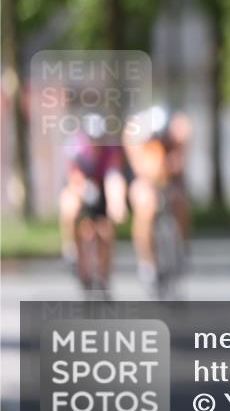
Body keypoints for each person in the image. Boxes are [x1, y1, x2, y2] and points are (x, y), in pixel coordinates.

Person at [123, 105, 192, 295]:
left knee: (181, 203)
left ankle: (182, 245)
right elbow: (140, 168)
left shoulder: (179, 131)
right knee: (145, 207)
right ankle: (147, 262)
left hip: (170, 178)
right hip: (145, 179)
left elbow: (181, 162)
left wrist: (171, 168)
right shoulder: (134, 133)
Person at [58, 113, 128, 299]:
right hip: (79, 187)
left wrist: (117, 204)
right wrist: (85, 192)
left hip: (103, 190)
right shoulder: (75, 148)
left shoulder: (111, 151)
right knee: (70, 208)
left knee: (106, 233)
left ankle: (104, 277)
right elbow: (74, 177)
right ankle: (71, 249)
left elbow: (114, 178)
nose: (96, 143)